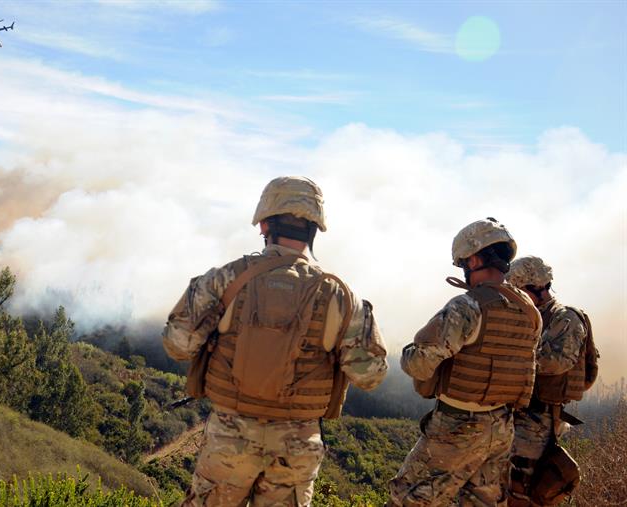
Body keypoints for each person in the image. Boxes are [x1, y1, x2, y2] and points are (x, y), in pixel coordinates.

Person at [162, 176, 388, 506]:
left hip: (229, 439)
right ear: (315, 229)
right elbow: (370, 376)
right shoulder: (341, 296)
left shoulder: (225, 279)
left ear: (264, 224)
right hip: (296, 448)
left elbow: (178, 345)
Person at [389, 218, 542, 506]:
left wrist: (409, 351)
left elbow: (418, 364)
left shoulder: (468, 306)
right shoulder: (528, 309)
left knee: (408, 498)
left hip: (458, 426)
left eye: (463, 264)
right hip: (501, 427)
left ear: (473, 260)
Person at [504, 256, 597, 506]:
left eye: (545, 287)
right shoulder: (530, 316)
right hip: (517, 415)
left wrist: (511, 355)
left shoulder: (564, 317)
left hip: (539, 420)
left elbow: (558, 362)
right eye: (532, 289)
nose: (543, 294)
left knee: (521, 489)